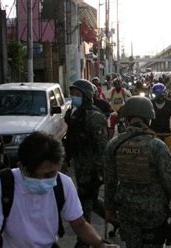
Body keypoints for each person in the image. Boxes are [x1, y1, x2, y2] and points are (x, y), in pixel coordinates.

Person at [0, 132, 117, 248]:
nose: (41, 180)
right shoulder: (0, 184)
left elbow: (80, 224)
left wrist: (100, 244)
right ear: (21, 166)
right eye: (33, 175)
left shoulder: (63, 184)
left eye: (49, 175)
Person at [104, 96, 171, 248]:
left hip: (127, 211)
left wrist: (109, 208)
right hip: (154, 214)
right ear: (149, 120)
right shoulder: (157, 146)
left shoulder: (114, 144)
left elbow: (109, 181)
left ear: (126, 120)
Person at [64, 79, 109, 248]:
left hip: (91, 169)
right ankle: (117, 219)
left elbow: (102, 146)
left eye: (78, 94)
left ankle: (83, 241)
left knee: (85, 204)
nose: (74, 97)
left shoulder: (94, 116)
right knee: (91, 201)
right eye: (72, 94)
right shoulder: (75, 114)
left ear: (87, 96)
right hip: (79, 166)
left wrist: (100, 172)